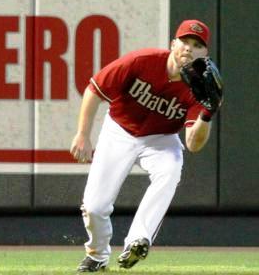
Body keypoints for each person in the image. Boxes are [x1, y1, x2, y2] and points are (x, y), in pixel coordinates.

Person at [71, 19, 221, 272]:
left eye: (197, 45)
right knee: (95, 206)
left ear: (204, 53)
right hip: (119, 129)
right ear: (173, 43)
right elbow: (94, 89)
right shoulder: (142, 61)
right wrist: (83, 134)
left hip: (160, 139)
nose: (189, 48)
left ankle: (138, 240)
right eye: (184, 41)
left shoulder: (200, 88)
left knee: (171, 170)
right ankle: (97, 255)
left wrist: (208, 113)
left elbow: (193, 144)